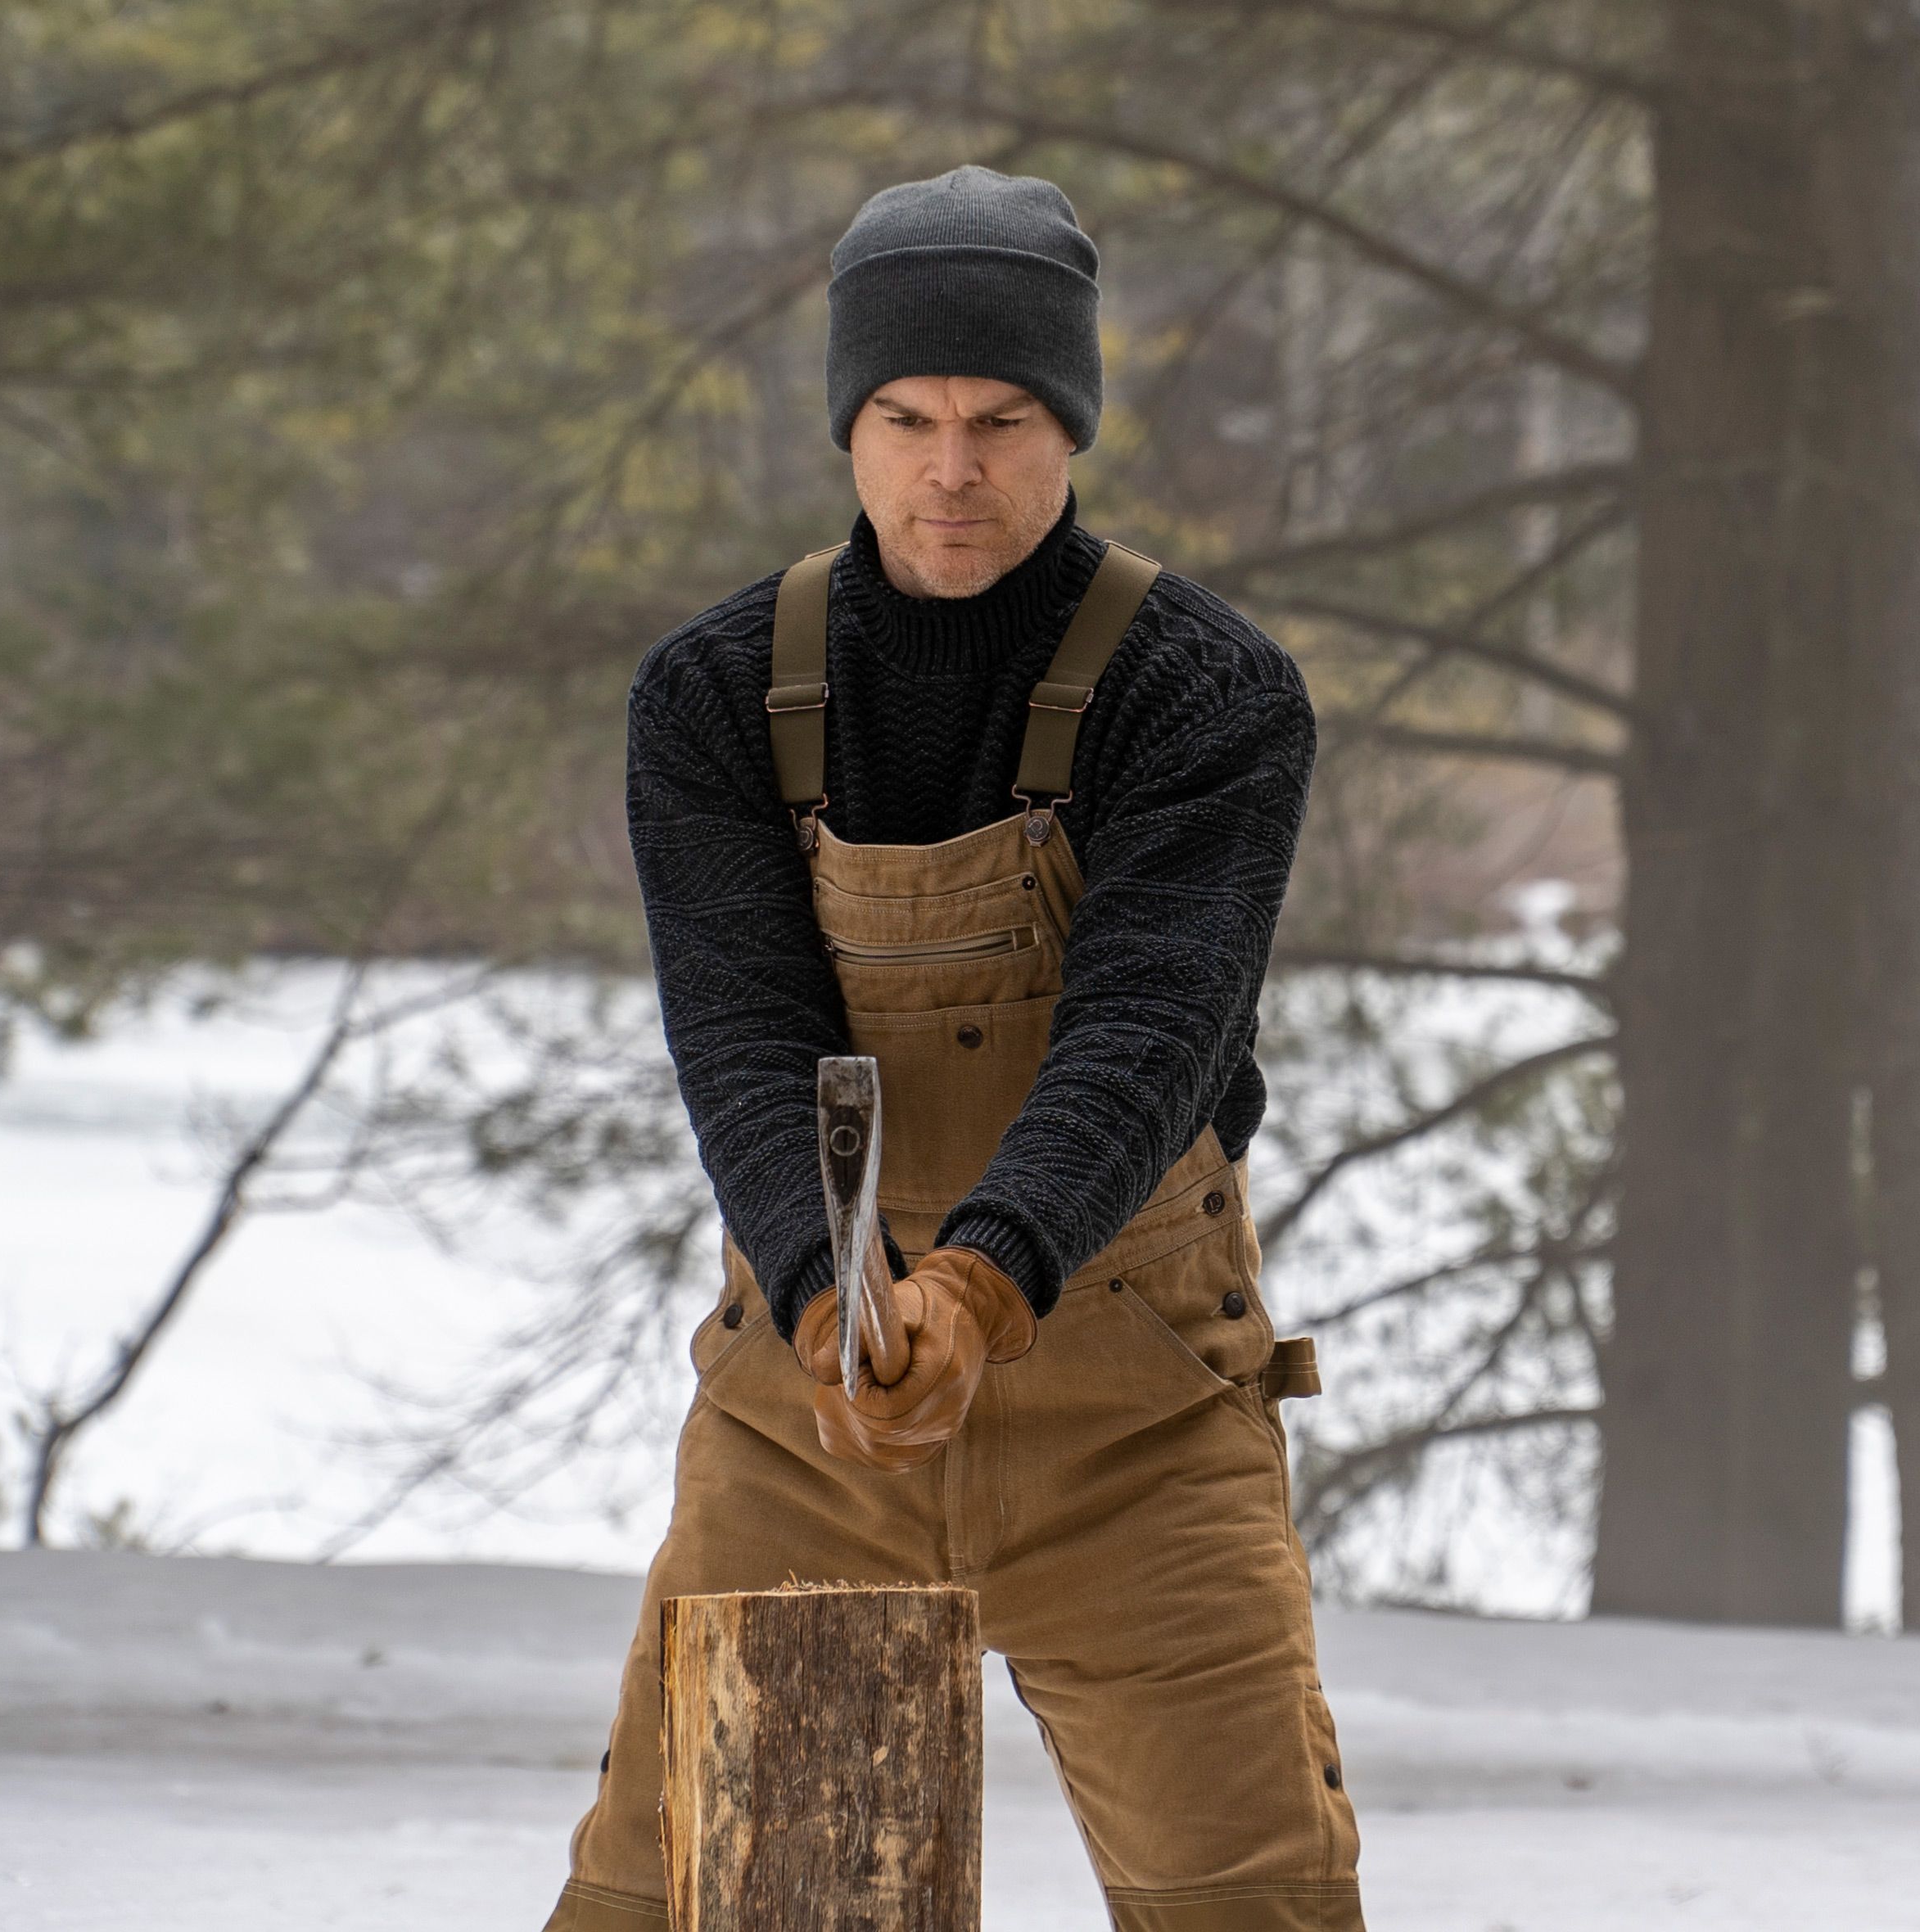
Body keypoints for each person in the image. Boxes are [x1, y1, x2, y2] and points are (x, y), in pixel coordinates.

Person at [541, 164, 1362, 1932]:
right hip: (806, 1417)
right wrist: (840, 1303)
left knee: (1256, 1904)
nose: (951, 468)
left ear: (1069, 424)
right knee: (667, 1902)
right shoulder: (712, 694)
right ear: (851, 425)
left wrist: (981, 1291)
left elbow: (1153, 1025)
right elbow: (742, 1031)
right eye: (905, 417)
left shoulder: (1207, 692)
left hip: (1136, 1409)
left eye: (1000, 418)